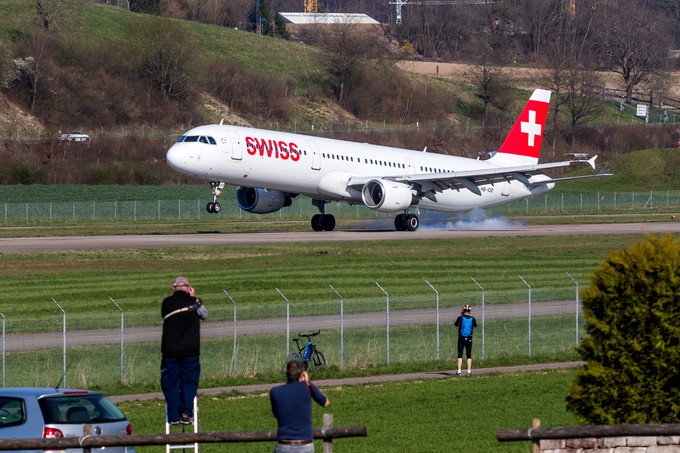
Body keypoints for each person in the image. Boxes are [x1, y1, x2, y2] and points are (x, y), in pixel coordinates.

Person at [161, 276, 208, 426]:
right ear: (188, 288)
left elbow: (164, 314)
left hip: (170, 350)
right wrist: (193, 297)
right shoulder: (195, 302)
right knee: (189, 382)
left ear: (173, 288)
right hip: (190, 350)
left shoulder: (166, 302)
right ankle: (186, 413)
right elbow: (204, 315)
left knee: (170, 383)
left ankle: (173, 416)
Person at [270, 360, 330, 452]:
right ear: (302, 374)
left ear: (286, 373)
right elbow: (325, 402)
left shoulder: (275, 392)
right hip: (305, 444)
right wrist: (308, 382)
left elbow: (276, 414)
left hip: (284, 444)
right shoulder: (307, 387)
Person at [454, 304, 477, 376]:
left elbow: (456, 324)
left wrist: (461, 315)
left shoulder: (460, 318)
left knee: (460, 355)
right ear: (470, 311)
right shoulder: (472, 318)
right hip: (469, 338)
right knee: (469, 355)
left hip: (461, 338)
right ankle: (469, 371)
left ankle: (459, 371)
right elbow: (475, 325)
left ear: (463, 310)